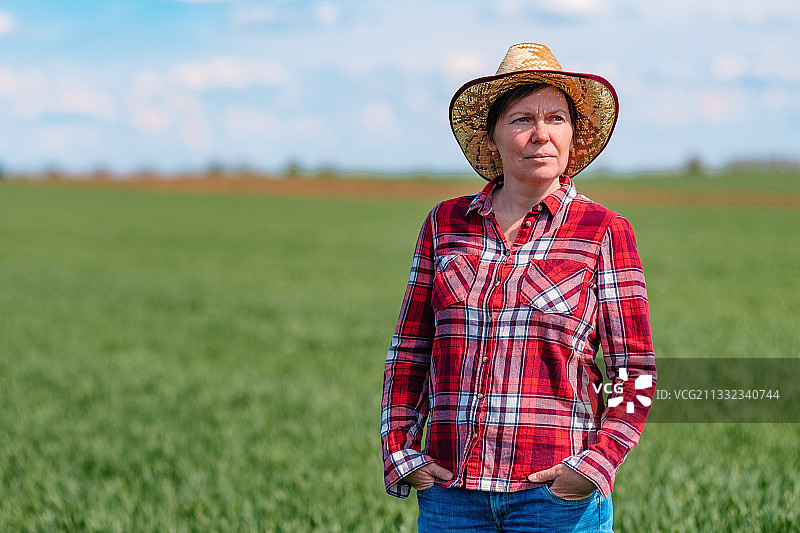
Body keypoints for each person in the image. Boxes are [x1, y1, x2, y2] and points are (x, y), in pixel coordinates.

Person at [380, 43, 657, 532]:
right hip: (452, 497)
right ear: (492, 136)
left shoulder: (604, 231)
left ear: (574, 134)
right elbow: (409, 351)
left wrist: (594, 467)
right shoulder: (446, 224)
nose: (540, 134)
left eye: (555, 117)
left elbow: (634, 371)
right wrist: (402, 451)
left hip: (557, 499)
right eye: (521, 119)